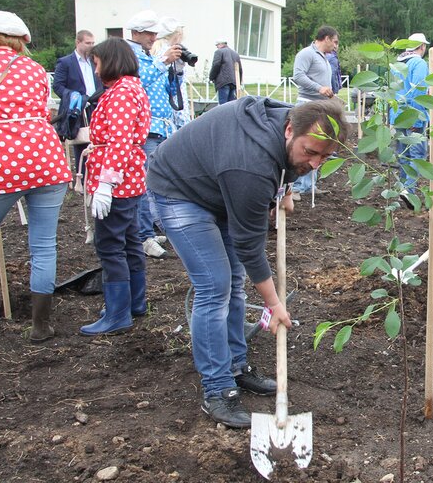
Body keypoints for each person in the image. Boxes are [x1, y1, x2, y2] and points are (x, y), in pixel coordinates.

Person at [146, 97, 349, 428]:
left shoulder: (301, 119)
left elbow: (291, 161)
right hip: (179, 190)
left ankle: (236, 366)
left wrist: (285, 188)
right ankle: (217, 390)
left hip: (218, 182)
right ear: (289, 130)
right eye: (310, 152)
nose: (315, 163)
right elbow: (249, 245)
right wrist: (273, 304)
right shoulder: (251, 166)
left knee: (234, 283)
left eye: (325, 157)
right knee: (215, 286)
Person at [0, 11, 72, 343]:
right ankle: (40, 326)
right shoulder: (33, 70)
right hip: (45, 158)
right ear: (20, 41)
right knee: (44, 246)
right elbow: (43, 112)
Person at [79, 38, 151, 335]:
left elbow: (120, 141)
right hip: (130, 178)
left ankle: (118, 313)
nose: (95, 70)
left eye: (96, 63)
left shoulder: (121, 93)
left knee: (109, 245)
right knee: (130, 241)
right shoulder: (130, 88)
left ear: (109, 61)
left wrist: (106, 184)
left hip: (118, 180)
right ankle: (135, 302)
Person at [125, 9, 182, 258]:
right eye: (149, 32)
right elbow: (135, 84)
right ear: (136, 33)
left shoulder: (150, 56)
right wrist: (162, 63)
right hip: (145, 129)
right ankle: (144, 236)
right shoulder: (130, 57)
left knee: (159, 180)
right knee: (144, 183)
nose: (153, 36)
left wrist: (175, 70)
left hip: (161, 127)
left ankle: (149, 230)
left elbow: (166, 89)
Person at [291, 25, 339, 200]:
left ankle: (310, 185)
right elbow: (298, 76)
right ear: (325, 38)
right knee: (304, 146)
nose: (336, 46)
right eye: (334, 42)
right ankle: (295, 187)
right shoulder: (306, 54)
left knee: (319, 145)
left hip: (320, 106)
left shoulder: (324, 57)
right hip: (307, 105)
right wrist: (319, 88)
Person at [52, 30, 103, 190]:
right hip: (78, 108)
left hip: (96, 104)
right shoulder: (66, 62)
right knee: (80, 139)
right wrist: (75, 97)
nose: (91, 46)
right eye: (88, 43)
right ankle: (81, 179)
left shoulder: (96, 62)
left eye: (93, 43)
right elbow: (58, 86)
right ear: (78, 42)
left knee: (98, 139)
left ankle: (97, 176)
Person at [391, 32, 430, 199]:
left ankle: (402, 188)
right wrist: (418, 118)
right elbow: (419, 90)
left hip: (398, 115)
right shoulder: (419, 63)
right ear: (421, 47)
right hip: (412, 115)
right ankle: (409, 191)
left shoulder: (398, 63)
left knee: (403, 155)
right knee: (416, 154)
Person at [209, 39, 242, 106]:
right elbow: (240, 69)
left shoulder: (219, 52)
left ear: (221, 44)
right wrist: (239, 82)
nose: (217, 47)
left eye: (217, 45)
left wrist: (211, 77)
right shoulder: (235, 54)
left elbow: (216, 65)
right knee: (231, 105)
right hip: (234, 83)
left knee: (222, 105)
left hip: (223, 82)